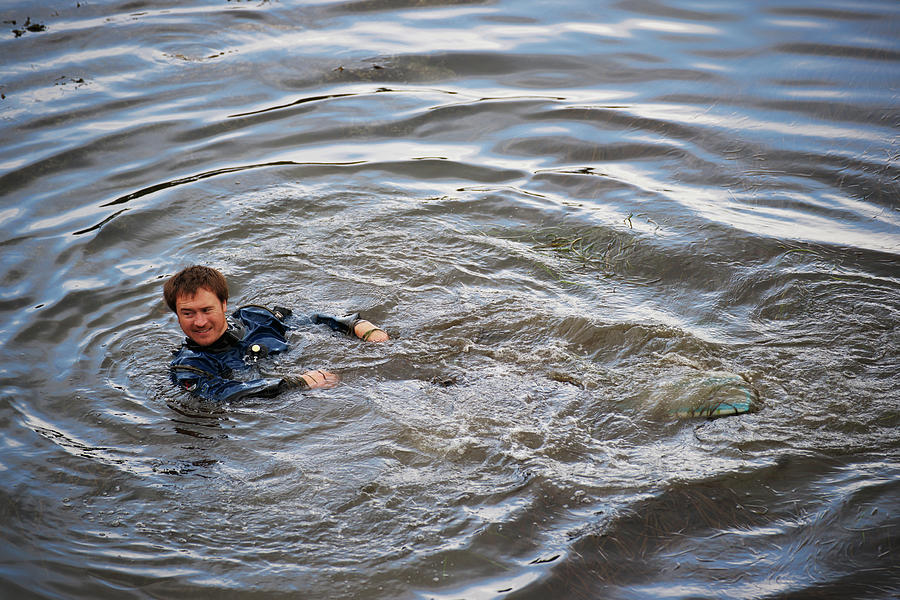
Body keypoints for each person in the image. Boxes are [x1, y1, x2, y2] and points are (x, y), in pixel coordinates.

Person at [163, 265, 388, 403]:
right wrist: (294, 384)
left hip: (328, 368)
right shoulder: (190, 368)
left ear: (223, 304)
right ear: (177, 315)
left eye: (206, 310)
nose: (200, 322)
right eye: (188, 313)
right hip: (291, 402)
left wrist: (356, 325)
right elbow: (225, 393)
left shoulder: (255, 318)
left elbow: (309, 322)